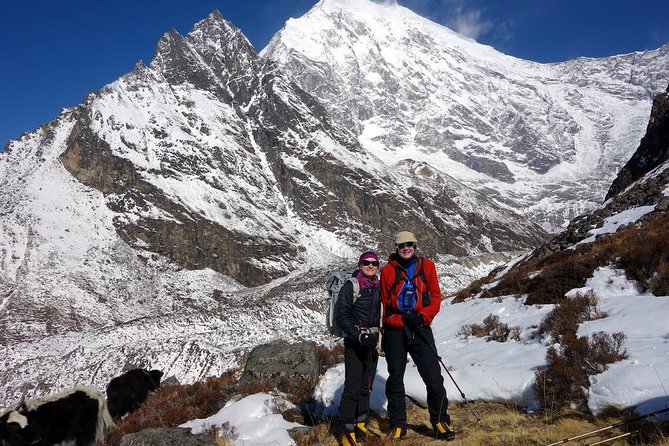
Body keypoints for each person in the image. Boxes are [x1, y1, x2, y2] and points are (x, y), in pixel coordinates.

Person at [380, 231, 455, 440]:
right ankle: (397, 424)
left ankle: (441, 420)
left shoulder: (427, 266)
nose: (406, 247)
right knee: (395, 377)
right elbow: (384, 306)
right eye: (402, 244)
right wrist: (400, 321)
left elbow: (436, 297)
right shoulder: (387, 271)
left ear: (415, 245)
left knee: (433, 375)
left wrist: (421, 317)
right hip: (396, 330)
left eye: (410, 244)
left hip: (420, 326)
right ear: (396, 247)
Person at [336, 251, 382, 446]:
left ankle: (361, 423)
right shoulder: (351, 286)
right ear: (359, 264)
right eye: (366, 263)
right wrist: (358, 336)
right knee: (353, 386)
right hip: (356, 342)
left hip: (372, 341)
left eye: (374, 263)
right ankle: (347, 430)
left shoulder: (379, 286)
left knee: (367, 385)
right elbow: (342, 317)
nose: (370, 266)